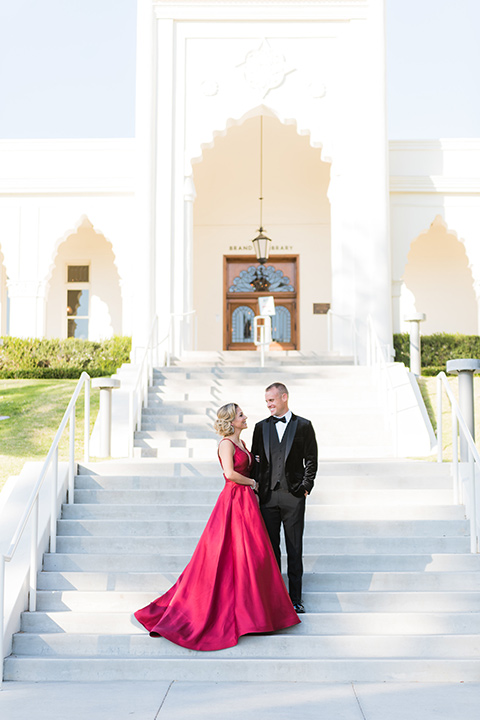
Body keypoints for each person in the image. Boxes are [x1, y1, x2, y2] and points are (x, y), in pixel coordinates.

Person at [133, 402, 300, 651]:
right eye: (241, 415)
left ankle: (258, 611)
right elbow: (230, 474)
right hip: (234, 500)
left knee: (253, 554)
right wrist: (253, 483)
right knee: (232, 553)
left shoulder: (243, 444)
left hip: (248, 503)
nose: (246, 417)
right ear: (231, 421)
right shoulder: (225, 444)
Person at [252, 382, 318, 614]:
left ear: (284, 397)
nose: (268, 404)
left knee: (294, 548)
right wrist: (257, 490)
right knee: (271, 550)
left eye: (271, 400)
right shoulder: (260, 427)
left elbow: (311, 459)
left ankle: (295, 599)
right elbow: (256, 461)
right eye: (266, 401)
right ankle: (273, 598)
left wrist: (305, 487)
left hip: (293, 496)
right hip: (268, 497)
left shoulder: (304, 426)